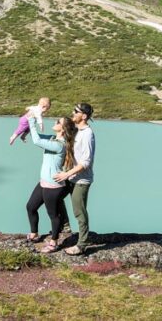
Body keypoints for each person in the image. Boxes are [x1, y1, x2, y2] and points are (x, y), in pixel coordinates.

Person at [25, 115, 77, 253]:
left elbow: (36, 140)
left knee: (53, 215)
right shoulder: (53, 139)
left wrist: (31, 122)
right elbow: (36, 135)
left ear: (63, 129)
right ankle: (34, 234)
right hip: (43, 182)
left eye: (58, 122)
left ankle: (54, 242)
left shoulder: (59, 145)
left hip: (53, 186)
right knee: (31, 207)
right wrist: (26, 128)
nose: (55, 122)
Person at [54, 102, 94, 255]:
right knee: (54, 197)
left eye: (75, 111)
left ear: (84, 116)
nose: (73, 113)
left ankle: (82, 244)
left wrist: (66, 174)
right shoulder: (76, 130)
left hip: (81, 180)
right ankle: (65, 226)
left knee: (79, 211)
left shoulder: (88, 134)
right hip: (70, 176)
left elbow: (86, 162)